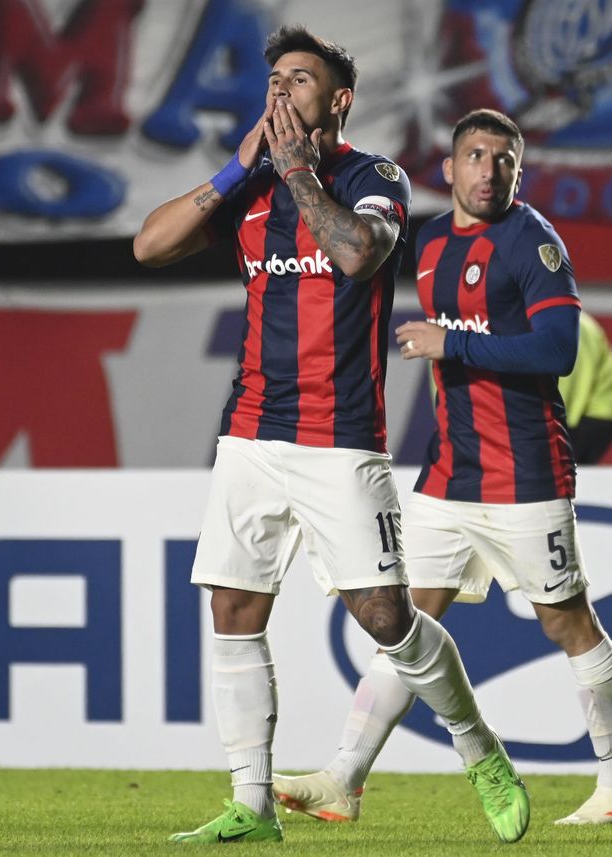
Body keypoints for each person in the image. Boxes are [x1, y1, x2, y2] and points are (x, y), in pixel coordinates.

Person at [133, 28, 528, 845]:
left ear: (339, 99)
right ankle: (253, 802)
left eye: (301, 79)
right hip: (250, 431)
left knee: (385, 615)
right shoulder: (251, 189)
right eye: (274, 77)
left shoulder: (369, 177)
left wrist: (301, 176)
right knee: (235, 608)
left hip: (341, 438)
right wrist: (238, 169)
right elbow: (149, 245)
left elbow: (358, 254)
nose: (281, 90)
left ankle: (480, 748)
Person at [272, 108, 612, 827]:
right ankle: (345, 777)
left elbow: (557, 349)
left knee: (566, 622)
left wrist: (454, 344)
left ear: (518, 170)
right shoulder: (431, 240)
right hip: (449, 474)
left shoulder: (532, 242)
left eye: (504, 159)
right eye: (475, 156)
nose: (489, 170)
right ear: (448, 169)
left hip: (526, 472)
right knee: (404, 623)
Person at [558, 311, 612, 464]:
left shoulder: (564, 323)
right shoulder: (581, 321)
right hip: (599, 417)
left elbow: (568, 374)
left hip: (581, 420)